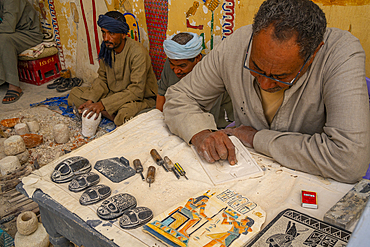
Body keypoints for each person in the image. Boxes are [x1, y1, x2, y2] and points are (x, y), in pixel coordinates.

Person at [163, 0, 370, 183]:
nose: (264, 84)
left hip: (310, 180)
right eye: (256, 67)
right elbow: (180, 96)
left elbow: (349, 160)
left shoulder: (341, 54)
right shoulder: (238, 43)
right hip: (243, 175)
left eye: (280, 76)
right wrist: (199, 133)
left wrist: (257, 138)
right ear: (253, 37)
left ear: (314, 53)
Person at [68, 11, 157, 126]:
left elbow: (136, 91)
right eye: (104, 33)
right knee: (74, 95)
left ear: (123, 34)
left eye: (111, 33)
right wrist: (92, 99)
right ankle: (106, 113)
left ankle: (104, 112)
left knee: (124, 115)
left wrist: (102, 105)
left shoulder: (138, 53)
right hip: (112, 94)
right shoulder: (107, 48)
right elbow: (102, 79)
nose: (106, 38)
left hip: (137, 98)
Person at [157, 32, 234, 128]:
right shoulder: (170, 64)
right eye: (172, 64)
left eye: (182, 66)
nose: (176, 70)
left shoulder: (212, 72)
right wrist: (159, 122)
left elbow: (210, 117)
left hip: (215, 120)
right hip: (176, 114)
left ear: (197, 58)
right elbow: (161, 93)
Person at [0, 0, 43, 104]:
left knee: (3, 40)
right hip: (13, 32)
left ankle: (14, 86)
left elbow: (8, 27)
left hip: (29, 33)